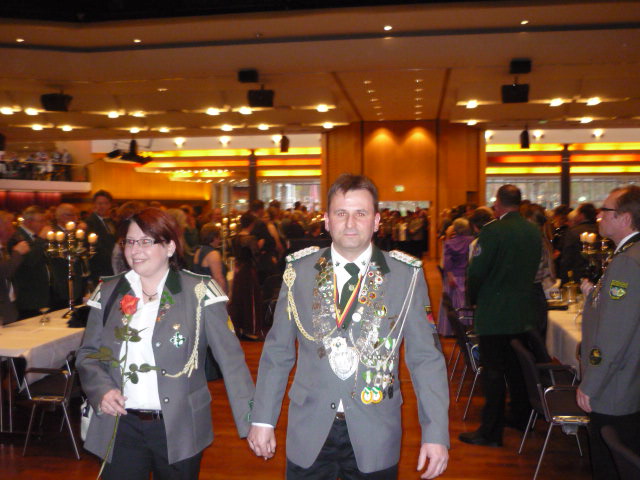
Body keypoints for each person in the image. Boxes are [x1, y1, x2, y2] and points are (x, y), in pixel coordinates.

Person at [247, 174, 449, 479]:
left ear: (377, 221)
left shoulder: (405, 276)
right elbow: (277, 351)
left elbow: (426, 359)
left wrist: (435, 433)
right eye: (341, 213)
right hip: (309, 427)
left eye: (361, 213)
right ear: (327, 221)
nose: (350, 223)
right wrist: (263, 419)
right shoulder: (299, 272)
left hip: (376, 429)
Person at [76, 207, 254, 480]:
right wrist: (102, 390)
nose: (135, 250)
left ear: (170, 247)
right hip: (120, 425)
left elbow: (232, 363)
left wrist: (252, 421)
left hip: (180, 426)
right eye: (130, 242)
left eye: (146, 241)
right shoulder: (109, 291)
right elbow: (88, 353)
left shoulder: (200, 292)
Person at [460, 184, 541, 447]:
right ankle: (521, 416)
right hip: (522, 311)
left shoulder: (493, 231)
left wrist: (474, 299)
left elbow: (476, 272)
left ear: (498, 203)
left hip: (495, 312)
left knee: (493, 374)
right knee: (518, 369)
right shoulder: (532, 230)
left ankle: (491, 431)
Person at [577, 186, 640, 480]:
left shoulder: (627, 261)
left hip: (615, 386)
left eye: (606, 211)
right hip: (628, 379)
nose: (599, 216)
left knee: (609, 465)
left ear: (625, 218)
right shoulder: (628, 255)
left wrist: (591, 383)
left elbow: (615, 333)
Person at [9, 205, 50, 319]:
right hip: (28, 295)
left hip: (42, 292)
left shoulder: (34, 236)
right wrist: (41, 239)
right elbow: (29, 261)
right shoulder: (17, 237)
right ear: (28, 222)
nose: (44, 224)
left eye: (45, 221)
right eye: (41, 221)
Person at [436, 217, 474, 336]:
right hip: (466, 276)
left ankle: (450, 329)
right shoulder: (471, 240)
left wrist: (450, 276)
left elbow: (447, 263)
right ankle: (466, 327)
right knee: (465, 303)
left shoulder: (449, 243)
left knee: (451, 304)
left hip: (453, 276)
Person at [229, 213, 263, 339]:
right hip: (248, 271)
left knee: (238, 299)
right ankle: (251, 330)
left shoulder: (235, 238)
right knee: (251, 300)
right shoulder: (250, 239)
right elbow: (256, 255)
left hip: (238, 270)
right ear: (252, 224)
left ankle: (239, 328)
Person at [0, 211, 29, 325]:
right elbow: (5, 272)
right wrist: (17, 253)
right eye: (9, 226)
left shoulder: (4, 247)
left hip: (10, 307)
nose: (13, 231)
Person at [558, 203, 599, 283]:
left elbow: (567, 257)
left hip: (578, 274)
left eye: (578, 214)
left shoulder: (573, 231)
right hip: (597, 274)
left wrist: (563, 278)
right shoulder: (599, 230)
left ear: (582, 215)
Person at [86, 190, 117, 284]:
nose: (102, 206)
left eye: (106, 203)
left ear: (110, 205)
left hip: (112, 266)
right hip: (99, 268)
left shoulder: (111, 221)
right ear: (94, 205)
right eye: (99, 203)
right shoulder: (89, 222)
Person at [192, 223, 228, 293]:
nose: (219, 241)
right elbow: (219, 279)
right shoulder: (213, 254)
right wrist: (224, 296)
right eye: (219, 238)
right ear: (214, 238)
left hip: (201, 292)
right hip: (212, 293)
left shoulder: (198, 251)